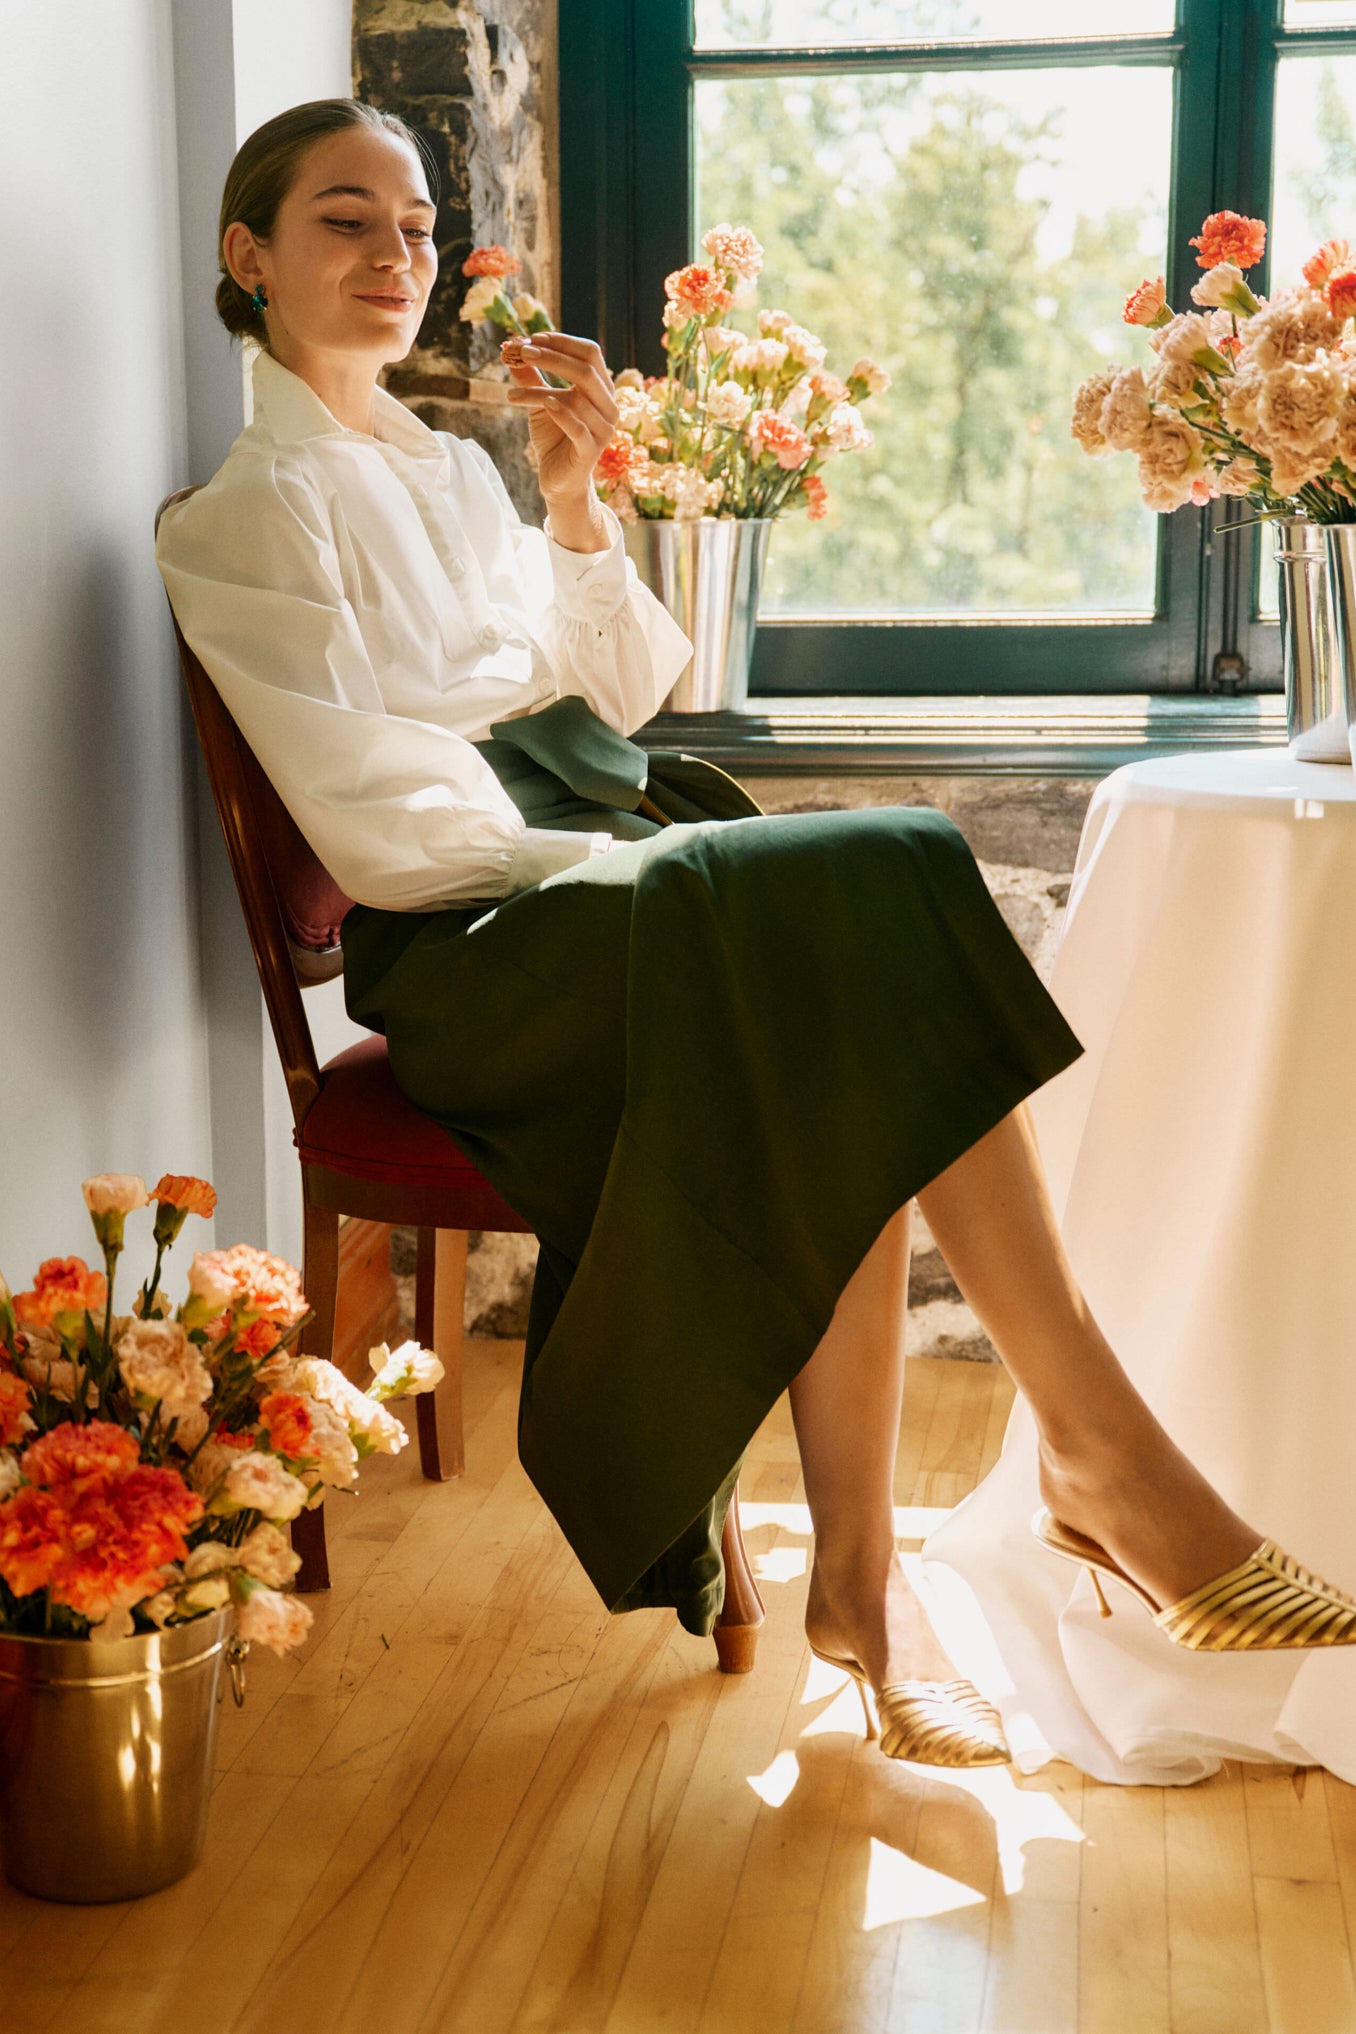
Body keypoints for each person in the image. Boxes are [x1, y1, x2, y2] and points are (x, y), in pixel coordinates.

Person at [158, 98, 1356, 1774]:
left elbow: (629, 688)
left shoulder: (442, 472)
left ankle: (876, 1581)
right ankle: (1084, 1460)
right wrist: (631, 865)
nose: (397, 256)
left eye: (419, 225)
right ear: (249, 255)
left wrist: (574, 501)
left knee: (839, 1000)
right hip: (480, 945)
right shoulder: (236, 521)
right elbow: (381, 825)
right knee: (878, 892)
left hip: (588, 876)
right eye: (347, 220)